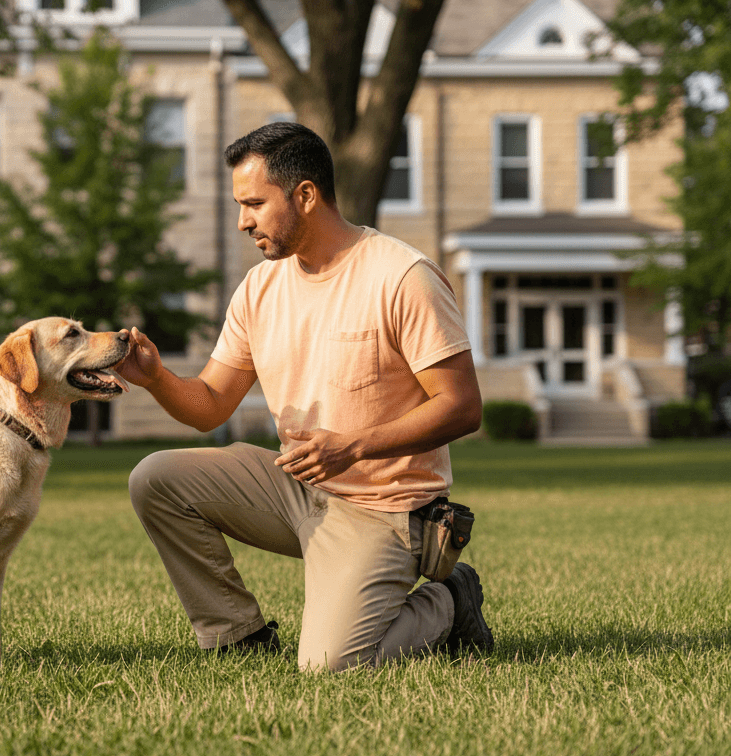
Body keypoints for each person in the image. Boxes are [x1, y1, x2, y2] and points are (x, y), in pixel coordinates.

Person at [116, 121, 493, 671]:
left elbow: (462, 406)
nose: (243, 221)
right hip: (298, 485)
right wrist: (154, 378)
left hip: (383, 509)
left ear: (306, 196)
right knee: (156, 478)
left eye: (254, 204)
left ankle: (451, 599)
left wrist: (355, 447)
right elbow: (210, 406)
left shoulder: (401, 276)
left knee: (331, 665)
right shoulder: (260, 288)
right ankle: (236, 635)